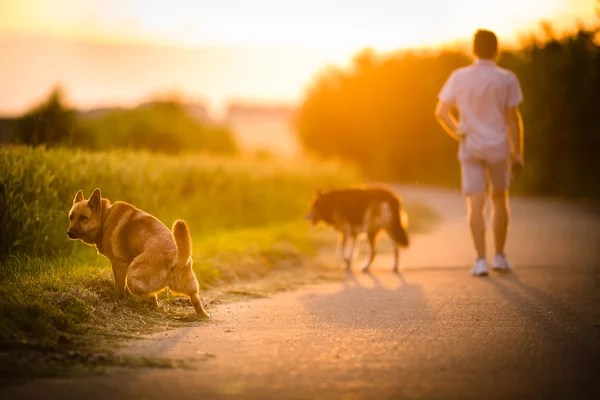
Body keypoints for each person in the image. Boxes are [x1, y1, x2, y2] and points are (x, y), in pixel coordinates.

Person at [434, 29, 524, 277]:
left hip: (471, 146)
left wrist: (458, 131)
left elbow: (441, 111)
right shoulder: (506, 78)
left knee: (475, 204)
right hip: (498, 147)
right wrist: (518, 154)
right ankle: (500, 256)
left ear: (473, 49)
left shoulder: (459, 76)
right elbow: (513, 120)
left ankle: (481, 260)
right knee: (499, 200)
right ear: (496, 49)